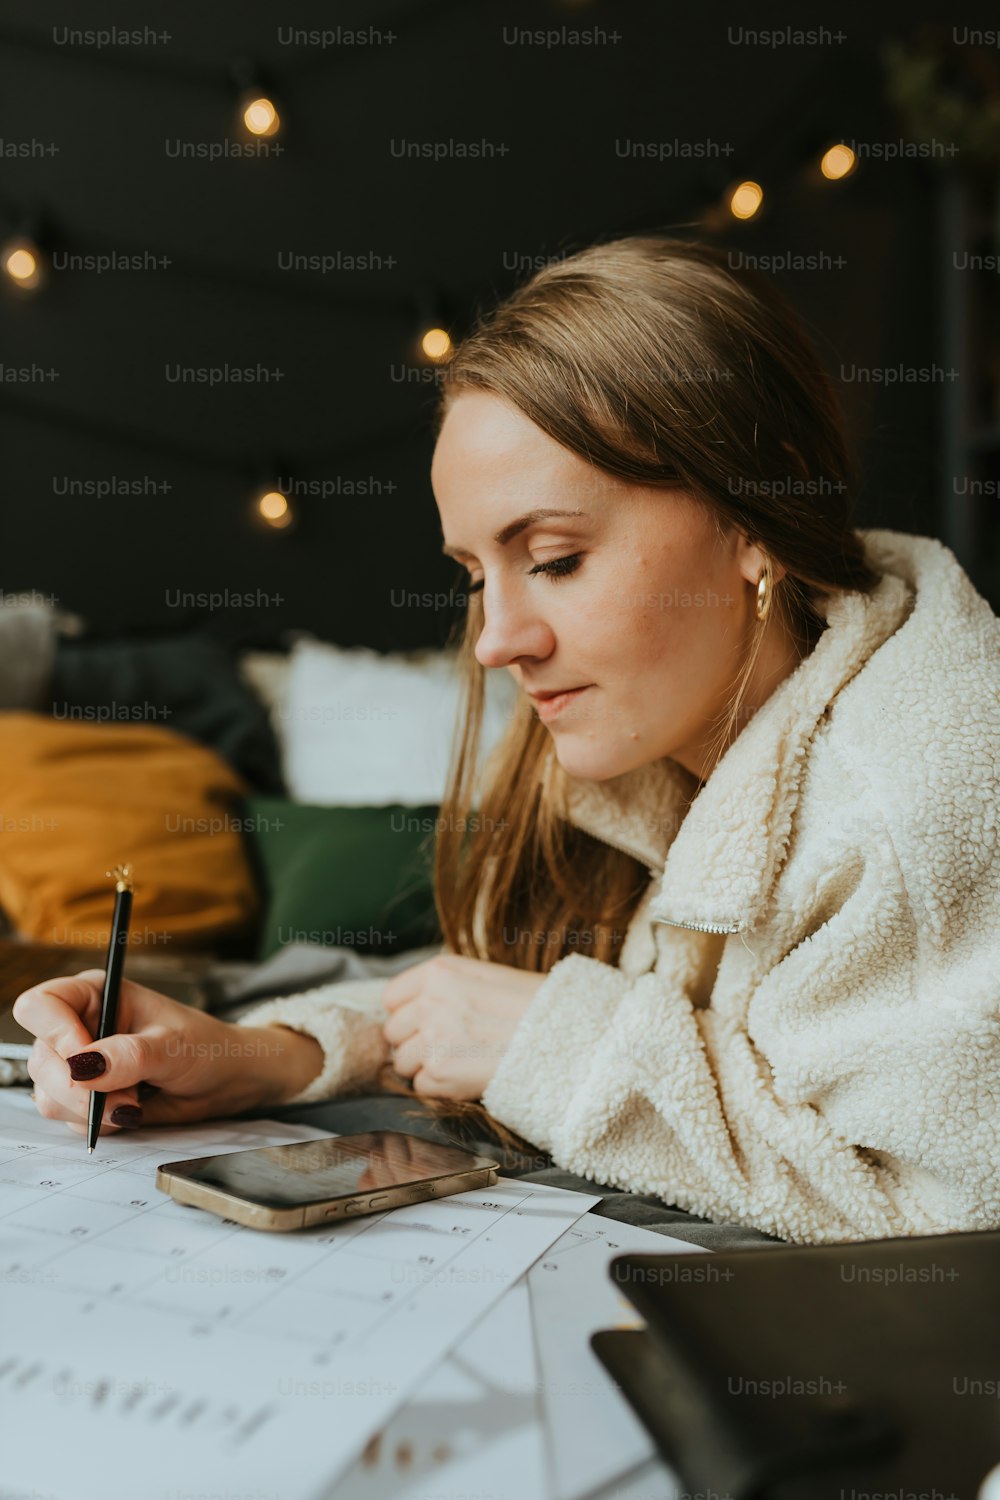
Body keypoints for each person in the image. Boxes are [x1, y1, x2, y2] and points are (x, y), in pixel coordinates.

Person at [14, 236, 1000, 1245]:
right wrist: (265, 1054)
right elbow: (488, 995)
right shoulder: (654, 735)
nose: (494, 642)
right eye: (476, 575)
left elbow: (952, 1222)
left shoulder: (915, 799)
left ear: (759, 510)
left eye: (557, 559)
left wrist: (560, 1046)